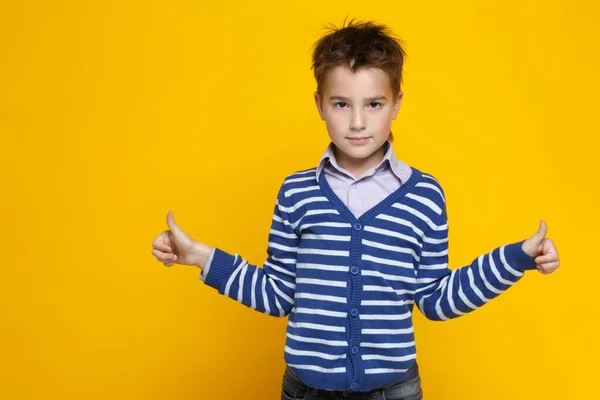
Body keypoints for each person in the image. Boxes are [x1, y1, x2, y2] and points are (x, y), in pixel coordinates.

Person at [151, 18, 560, 400]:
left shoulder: (425, 196)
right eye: (342, 104)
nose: (358, 122)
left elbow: (437, 299)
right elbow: (277, 294)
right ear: (319, 104)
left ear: (397, 103)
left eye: (374, 104)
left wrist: (514, 260)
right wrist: (200, 257)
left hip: (393, 390)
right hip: (306, 390)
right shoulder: (296, 192)